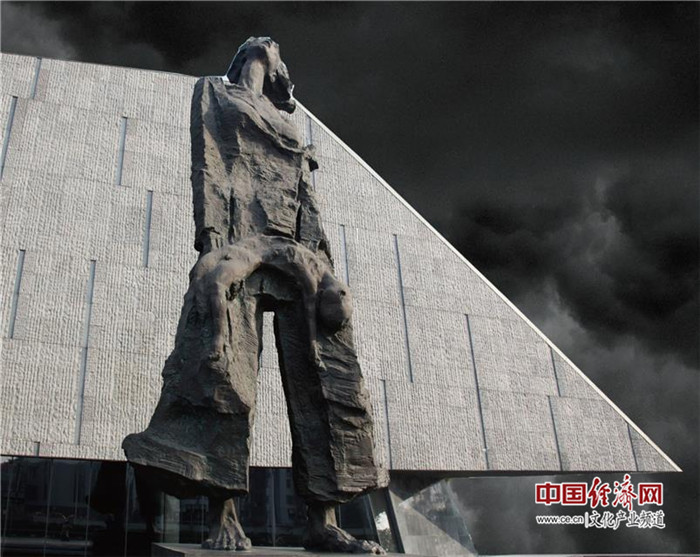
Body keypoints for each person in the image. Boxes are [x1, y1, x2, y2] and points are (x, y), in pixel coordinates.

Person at [123, 38, 387, 554]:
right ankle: (224, 516)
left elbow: (304, 190)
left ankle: (323, 521)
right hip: (241, 234)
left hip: (297, 249)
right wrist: (211, 239)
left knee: (325, 379)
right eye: (262, 43)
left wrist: (321, 256)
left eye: (276, 46)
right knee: (228, 370)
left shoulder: (288, 120)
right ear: (246, 55)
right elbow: (209, 162)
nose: (270, 42)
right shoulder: (215, 92)